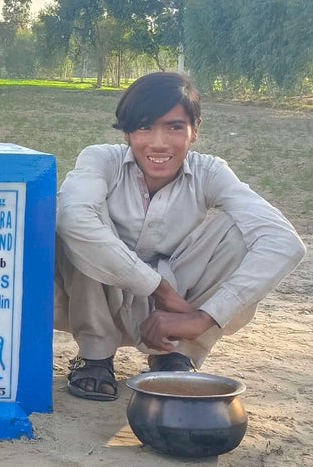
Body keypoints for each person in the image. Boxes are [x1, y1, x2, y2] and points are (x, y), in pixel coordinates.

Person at [55, 72, 306, 400]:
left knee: (241, 231)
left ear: (195, 130)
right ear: (127, 132)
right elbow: (71, 218)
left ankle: (176, 354)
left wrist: (203, 318)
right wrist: (157, 287)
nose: (159, 143)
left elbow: (285, 241)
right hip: (95, 296)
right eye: (144, 127)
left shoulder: (210, 172)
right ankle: (94, 355)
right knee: (81, 219)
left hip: (179, 311)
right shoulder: (101, 159)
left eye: (174, 127)